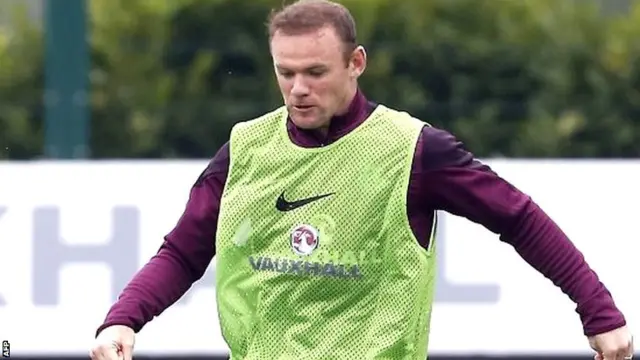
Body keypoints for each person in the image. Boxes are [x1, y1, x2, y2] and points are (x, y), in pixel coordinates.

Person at [89, 1, 634, 359]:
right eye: (286, 72)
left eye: (315, 72)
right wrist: (122, 320)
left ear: (356, 63)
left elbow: (519, 218)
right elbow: (184, 252)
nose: (298, 88)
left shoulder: (414, 149)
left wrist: (599, 311)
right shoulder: (245, 149)